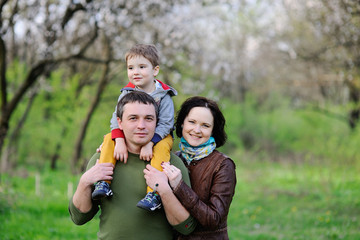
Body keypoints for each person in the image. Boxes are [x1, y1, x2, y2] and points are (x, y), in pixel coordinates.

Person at [69, 91, 197, 239]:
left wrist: (164, 191)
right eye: (133, 118)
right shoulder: (102, 159)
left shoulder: (171, 164)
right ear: (120, 122)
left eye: (148, 118)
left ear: (157, 122)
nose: (141, 125)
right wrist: (85, 182)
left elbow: (187, 227)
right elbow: (79, 218)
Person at [92, 44, 177, 211]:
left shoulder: (164, 96)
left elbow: (166, 123)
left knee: (161, 149)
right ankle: (103, 183)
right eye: (131, 68)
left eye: (142, 67)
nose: (135, 72)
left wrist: (150, 143)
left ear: (155, 70)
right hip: (130, 135)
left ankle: (154, 193)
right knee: (109, 138)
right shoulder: (126, 93)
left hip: (159, 135)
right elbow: (116, 120)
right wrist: (120, 141)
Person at [144, 96, 237, 239]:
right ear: (182, 124)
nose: (197, 130)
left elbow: (214, 219)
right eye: (192, 122)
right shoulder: (173, 158)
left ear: (213, 130)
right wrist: (113, 145)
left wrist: (179, 187)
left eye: (205, 125)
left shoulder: (223, 165)